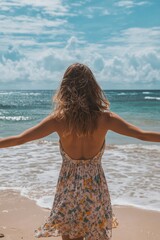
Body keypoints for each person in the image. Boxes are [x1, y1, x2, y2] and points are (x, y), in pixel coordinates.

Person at [0, 63, 160, 240]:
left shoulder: (58, 120)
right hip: (95, 189)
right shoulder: (106, 119)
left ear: (65, 88)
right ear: (93, 88)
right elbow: (142, 135)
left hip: (68, 190)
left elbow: (20, 138)